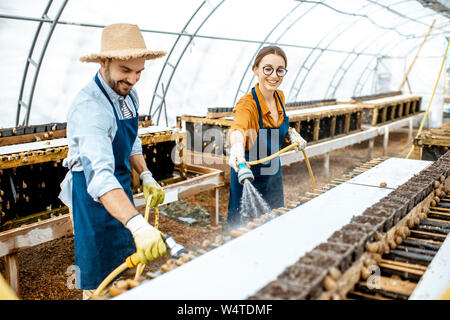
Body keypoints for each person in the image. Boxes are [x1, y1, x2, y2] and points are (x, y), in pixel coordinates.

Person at [59, 23, 167, 298]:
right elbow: (100, 177)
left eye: (139, 72)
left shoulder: (129, 95)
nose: (133, 80)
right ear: (104, 62)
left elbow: (130, 140)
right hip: (92, 194)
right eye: (125, 71)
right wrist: (138, 224)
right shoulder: (89, 108)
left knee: (126, 267)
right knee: (100, 276)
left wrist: (145, 175)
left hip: (119, 186)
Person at [227, 46, 307, 226]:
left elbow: (278, 126)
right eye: (268, 69)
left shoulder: (279, 96)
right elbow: (238, 128)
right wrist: (237, 147)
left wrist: (291, 134)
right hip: (248, 176)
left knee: (276, 225)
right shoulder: (247, 103)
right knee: (243, 230)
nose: (274, 76)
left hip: (273, 177)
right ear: (255, 70)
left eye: (280, 70)